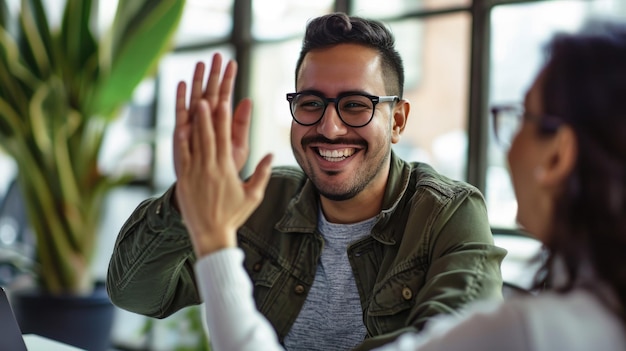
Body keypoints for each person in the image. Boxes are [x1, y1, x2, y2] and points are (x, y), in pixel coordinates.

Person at [185, 17, 626, 351]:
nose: (331, 127)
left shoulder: (529, 331)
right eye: (311, 103)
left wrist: (213, 239)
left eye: (519, 119)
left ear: (557, 155)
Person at [106, 13, 505, 350]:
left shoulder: (448, 214)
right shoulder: (262, 201)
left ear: (397, 120)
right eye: (311, 104)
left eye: (355, 106)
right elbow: (134, 292)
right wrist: (186, 201)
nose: (329, 129)